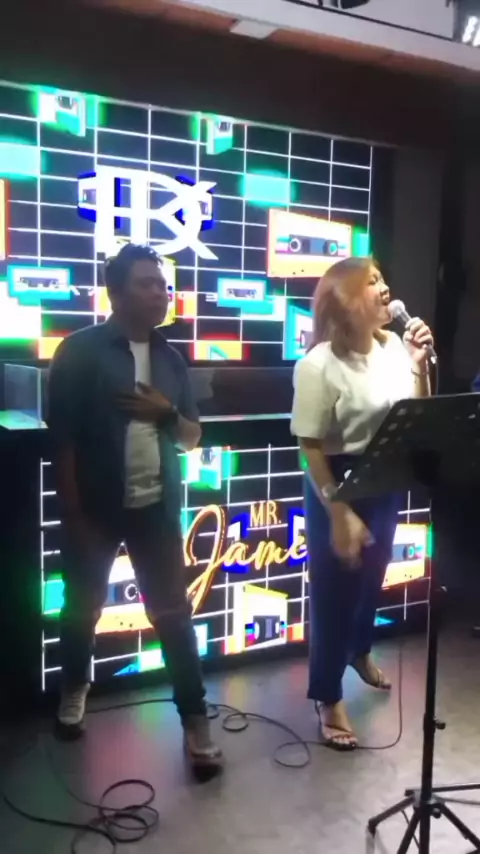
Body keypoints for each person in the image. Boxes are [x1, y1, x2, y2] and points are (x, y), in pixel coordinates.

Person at [47, 242, 222, 773]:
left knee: (173, 614)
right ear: (115, 293)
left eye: (163, 285)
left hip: (156, 509)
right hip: (95, 508)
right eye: (146, 284)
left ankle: (195, 719)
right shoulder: (79, 351)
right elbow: (63, 441)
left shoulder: (170, 359)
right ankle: (74, 688)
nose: (160, 293)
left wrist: (165, 412)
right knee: (82, 606)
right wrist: (73, 511)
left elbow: (191, 438)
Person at [291, 257, 433, 751]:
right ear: (347, 300)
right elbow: (309, 446)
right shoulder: (318, 365)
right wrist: (338, 510)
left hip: (385, 472)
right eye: (372, 281)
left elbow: (416, 411)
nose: (385, 286)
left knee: (373, 575)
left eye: (382, 277)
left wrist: (418, 366)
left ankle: (359, 651)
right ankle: (327, 696)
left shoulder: (392, 346)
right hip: (337, 478)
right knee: (334, 591)